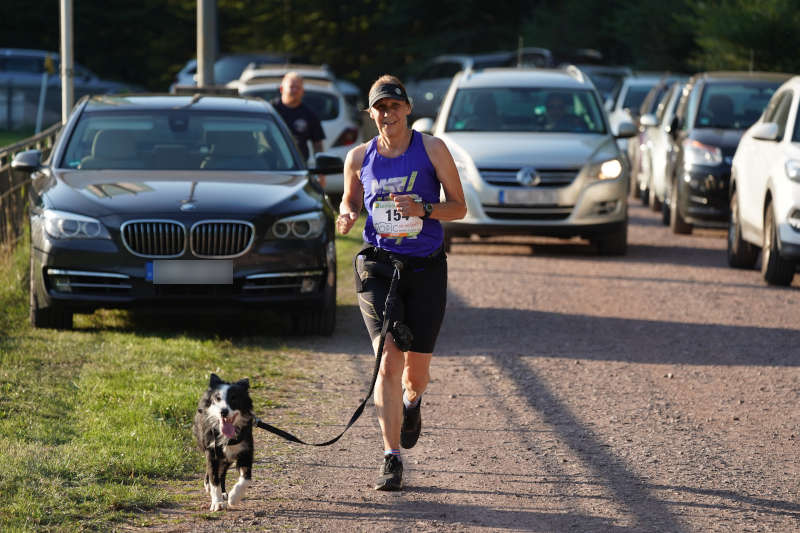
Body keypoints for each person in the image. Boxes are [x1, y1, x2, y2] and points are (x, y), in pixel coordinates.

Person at [337, 74, 466, 491]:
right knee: (387, 360)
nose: (387, 114)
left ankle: (412, 403)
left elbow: (459, 208)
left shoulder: (432, 149)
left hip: (426, 267)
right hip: (378, 267)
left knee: (417, 374)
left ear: (407, 108)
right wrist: (347, 214)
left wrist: (424, 208)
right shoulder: (359, 158)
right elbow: (351, 198)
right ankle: (390, 457)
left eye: (394, 106)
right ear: (371, 114)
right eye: (380, 108)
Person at [271, 72, 327, 186]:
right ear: (282, 89)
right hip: (270, 168)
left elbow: (318, 145)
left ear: (303, 91)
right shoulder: (271, 111)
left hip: (298, 170)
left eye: (298, 87)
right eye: (292, 87)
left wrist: (321, 172)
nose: (295, 90)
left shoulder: (309, 115)